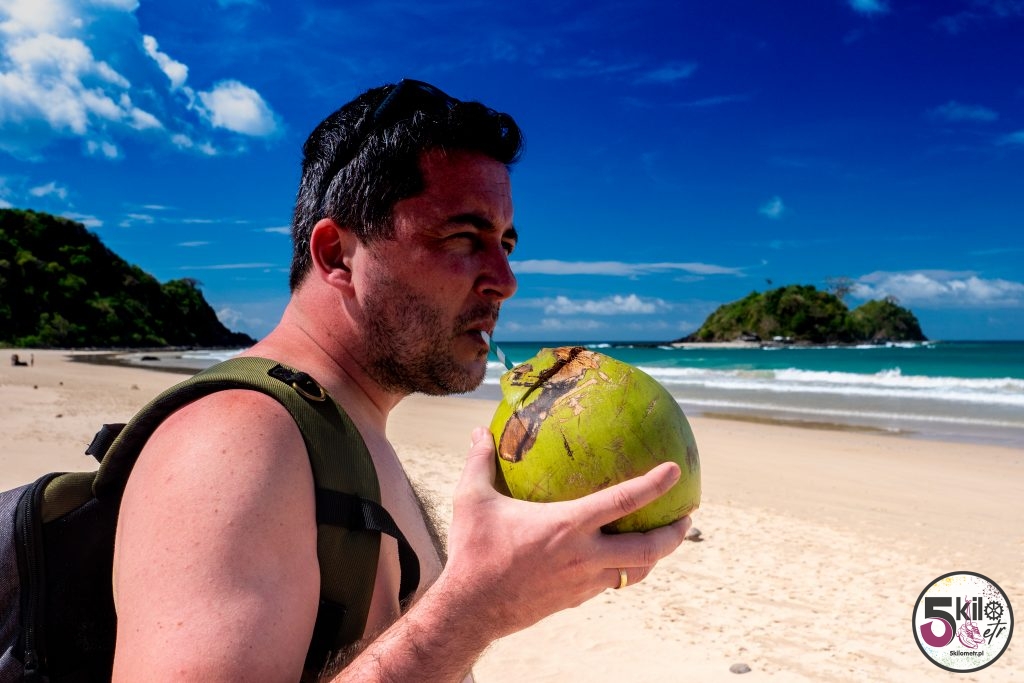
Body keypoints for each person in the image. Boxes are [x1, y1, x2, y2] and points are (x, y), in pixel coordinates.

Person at [111, 79, 691, 682]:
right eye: (463, 238)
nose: (505, 280)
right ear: (337, 255)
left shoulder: (344, 429)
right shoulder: (236, 439)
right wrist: (476, 608)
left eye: (505, 244)